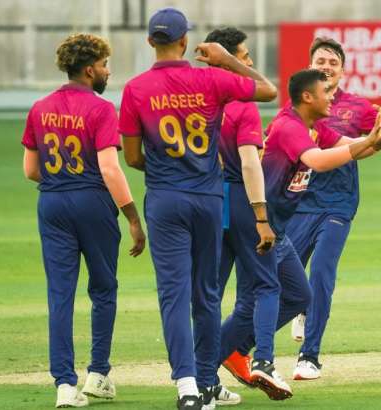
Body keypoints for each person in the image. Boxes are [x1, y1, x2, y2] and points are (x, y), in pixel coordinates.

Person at [118, 8, 277, 410]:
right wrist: (227, 60)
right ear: (186, 41)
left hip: (165, 198)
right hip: (208, 198)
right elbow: (268, 90)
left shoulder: (136, 88)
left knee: (173, 293)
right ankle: (207, 380)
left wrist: (164, 166)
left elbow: (133, 156)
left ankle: (187, 385)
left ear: (150, 42)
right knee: (206, 293)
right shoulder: (211, 77)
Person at [21, 33, 146, 408]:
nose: (109, 71)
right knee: (103, 288)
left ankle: (63, 385)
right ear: (90, 69)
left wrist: (62, 184)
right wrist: (133, 218)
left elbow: (30, 170)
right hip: (93, 202)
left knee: (60, 294)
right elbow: (110, 168)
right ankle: (98, 375)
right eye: (106, 65)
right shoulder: (102, 108)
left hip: (52, 203)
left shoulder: (40, 107)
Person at [286, 37, 381, 380]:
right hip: (299, 202)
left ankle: (309, 356)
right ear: (309, 65)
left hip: (338, 203)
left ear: (342, 70)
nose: (326, 67)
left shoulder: (357, 106)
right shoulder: (300, 103)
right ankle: (302, 309)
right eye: (320, 61)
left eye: (332, 62)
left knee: (322, 274)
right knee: (284, 275)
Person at [202, 26, 275, 406]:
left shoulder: (200, 100)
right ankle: (264, 359)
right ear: (227, 59)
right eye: (244, 57)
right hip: (238, 197)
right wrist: (261, 215)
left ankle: (200, 379)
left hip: (207, 200)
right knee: (267, 285)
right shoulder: (243, 104)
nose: (249, 63)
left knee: (209, 293)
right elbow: (249, 162)